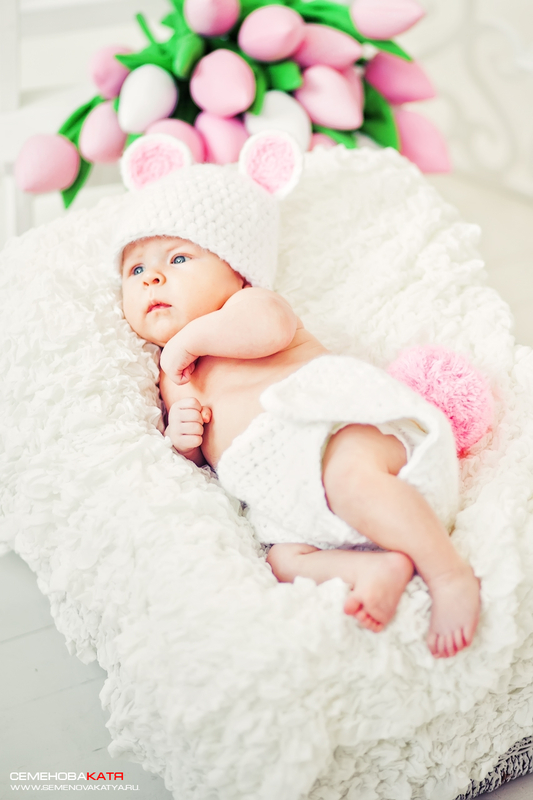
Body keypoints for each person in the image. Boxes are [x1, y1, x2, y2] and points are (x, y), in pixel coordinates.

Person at [114, 148, 480, 660]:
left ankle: (448, 575)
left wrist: (190, 341)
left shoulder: (249, 304)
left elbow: (269, 330)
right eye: (135, 270)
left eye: (178, 259)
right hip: (283, 487)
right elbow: (198, 455)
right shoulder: (166, 370)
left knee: (351, 480)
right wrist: (183, 436)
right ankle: (375, 566)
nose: (151, 278)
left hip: (333, 427)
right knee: (282, 560)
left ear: (237, 271)